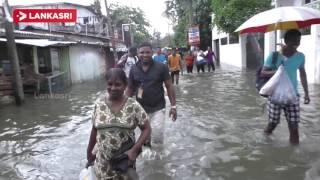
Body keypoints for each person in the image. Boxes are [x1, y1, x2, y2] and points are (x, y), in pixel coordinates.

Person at [86, 68, 151, 179]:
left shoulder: (133, 105)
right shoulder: (99, 104)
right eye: (110, 84)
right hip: (102, 163)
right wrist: (89, 152)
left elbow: (147, 129)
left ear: (125, 85)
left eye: (118, 84)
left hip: (124, 162)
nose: (113, 88)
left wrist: (134, 150)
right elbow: (94, 129)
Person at [261, 29, 310, 145]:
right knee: (273, 123)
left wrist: (306, 93)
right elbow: (263, 73)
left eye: (298, 40)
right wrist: (278, 71)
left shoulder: (301, 56)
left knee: (294, 126)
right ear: (286, 40)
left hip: (292, 96)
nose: (296, 43)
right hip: (275, 95)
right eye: (293, 40)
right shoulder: (274, 56)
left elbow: (302, 74)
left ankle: (294, 156)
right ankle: (265, 138)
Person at [126, 42, 177, 147]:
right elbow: (130, 88)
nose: (144, 55)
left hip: (158, 107)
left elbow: (169, 86)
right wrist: (123, 107)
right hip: (140, 109)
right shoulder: (134, 69)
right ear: (137, 53)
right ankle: (148, 159)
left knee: (157, 137)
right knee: (144, 139)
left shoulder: (161, 67)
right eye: (142, 52)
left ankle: (159, 160)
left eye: (147, 52)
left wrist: (173, 106)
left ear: (152, 53)